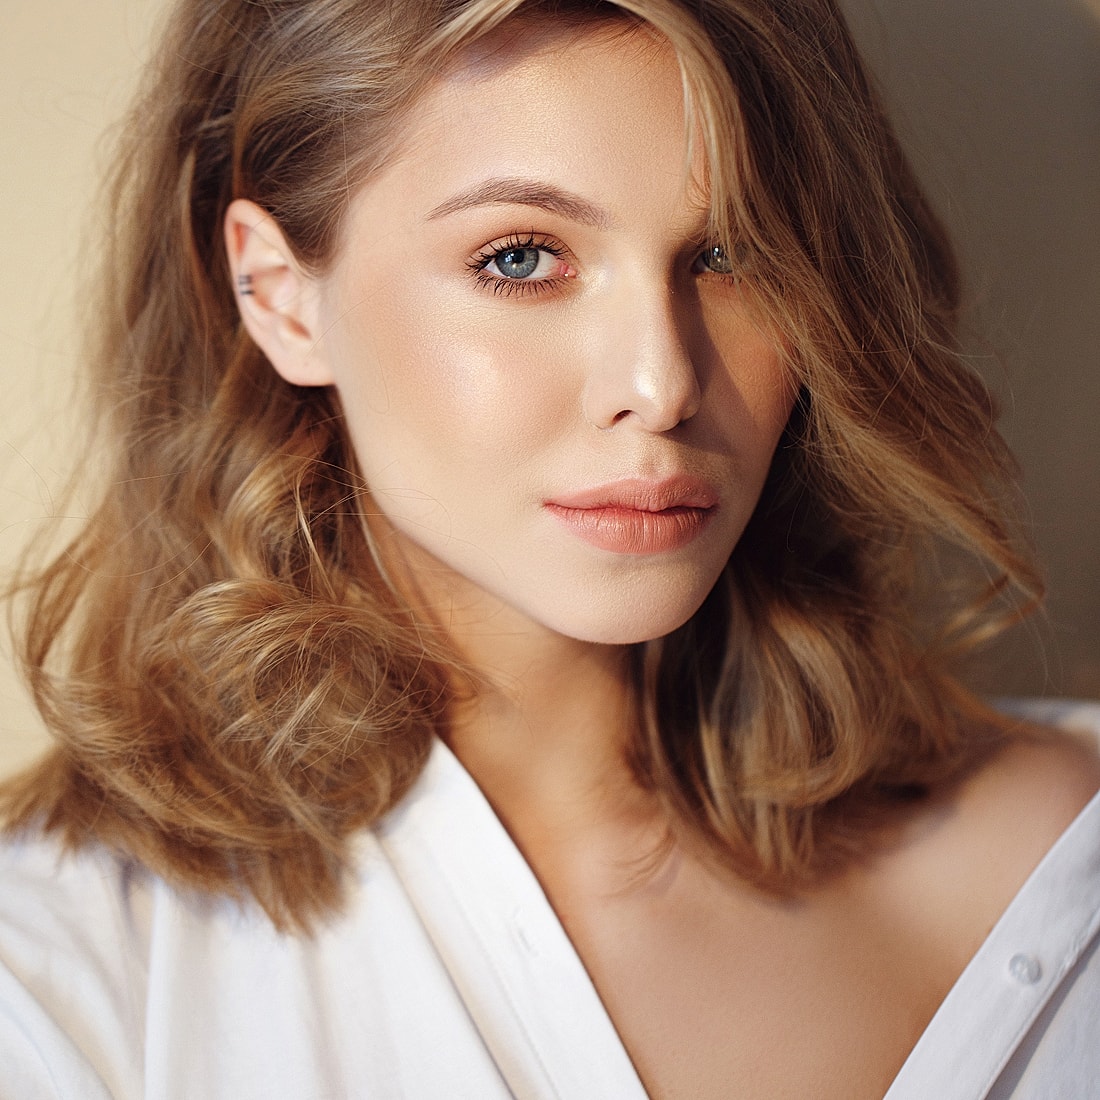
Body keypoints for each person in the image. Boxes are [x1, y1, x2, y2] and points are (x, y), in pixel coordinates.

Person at [1, 0, 1098, 1096]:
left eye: (731, 253)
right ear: (281, 296)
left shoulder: (1057, 860)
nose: (658, 383)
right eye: (521, 257)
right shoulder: (66, 986)